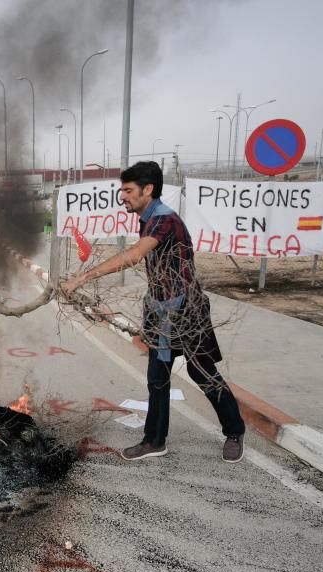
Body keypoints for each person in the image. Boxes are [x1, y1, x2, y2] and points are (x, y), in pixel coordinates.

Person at [60, 161, 246, 463]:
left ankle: (234, 431)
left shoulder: (163, 219)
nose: (124, 197)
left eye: (129, 190)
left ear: (149, 189)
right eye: (122, 190)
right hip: (160, 313)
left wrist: (82, 278)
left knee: (204, 374)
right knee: (157, 378)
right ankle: (154, 440)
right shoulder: (147, 218)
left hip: (187, 311)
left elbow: (134, 255)